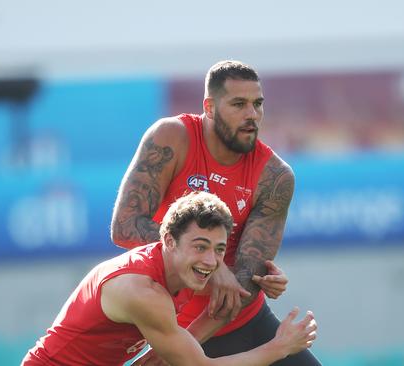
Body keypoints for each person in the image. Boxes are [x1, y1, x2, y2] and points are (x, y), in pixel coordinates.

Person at [111, 60, 320, 365]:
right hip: (168, 321)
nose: (252, 115)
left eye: (257, 104)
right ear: (209, 107)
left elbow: (244, 286)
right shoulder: (172, 138)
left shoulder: (274, 176)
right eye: (239, 104)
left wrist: (179, 350)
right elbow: (125, 227)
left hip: (238, 324)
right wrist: (212, 264)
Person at [23, 192, 316, 365]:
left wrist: (263, 275)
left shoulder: (181, 268)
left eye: (218, 250)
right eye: (200, 246)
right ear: (169, 240)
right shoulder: (143, 292)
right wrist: (280, 347)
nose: (211, 261)